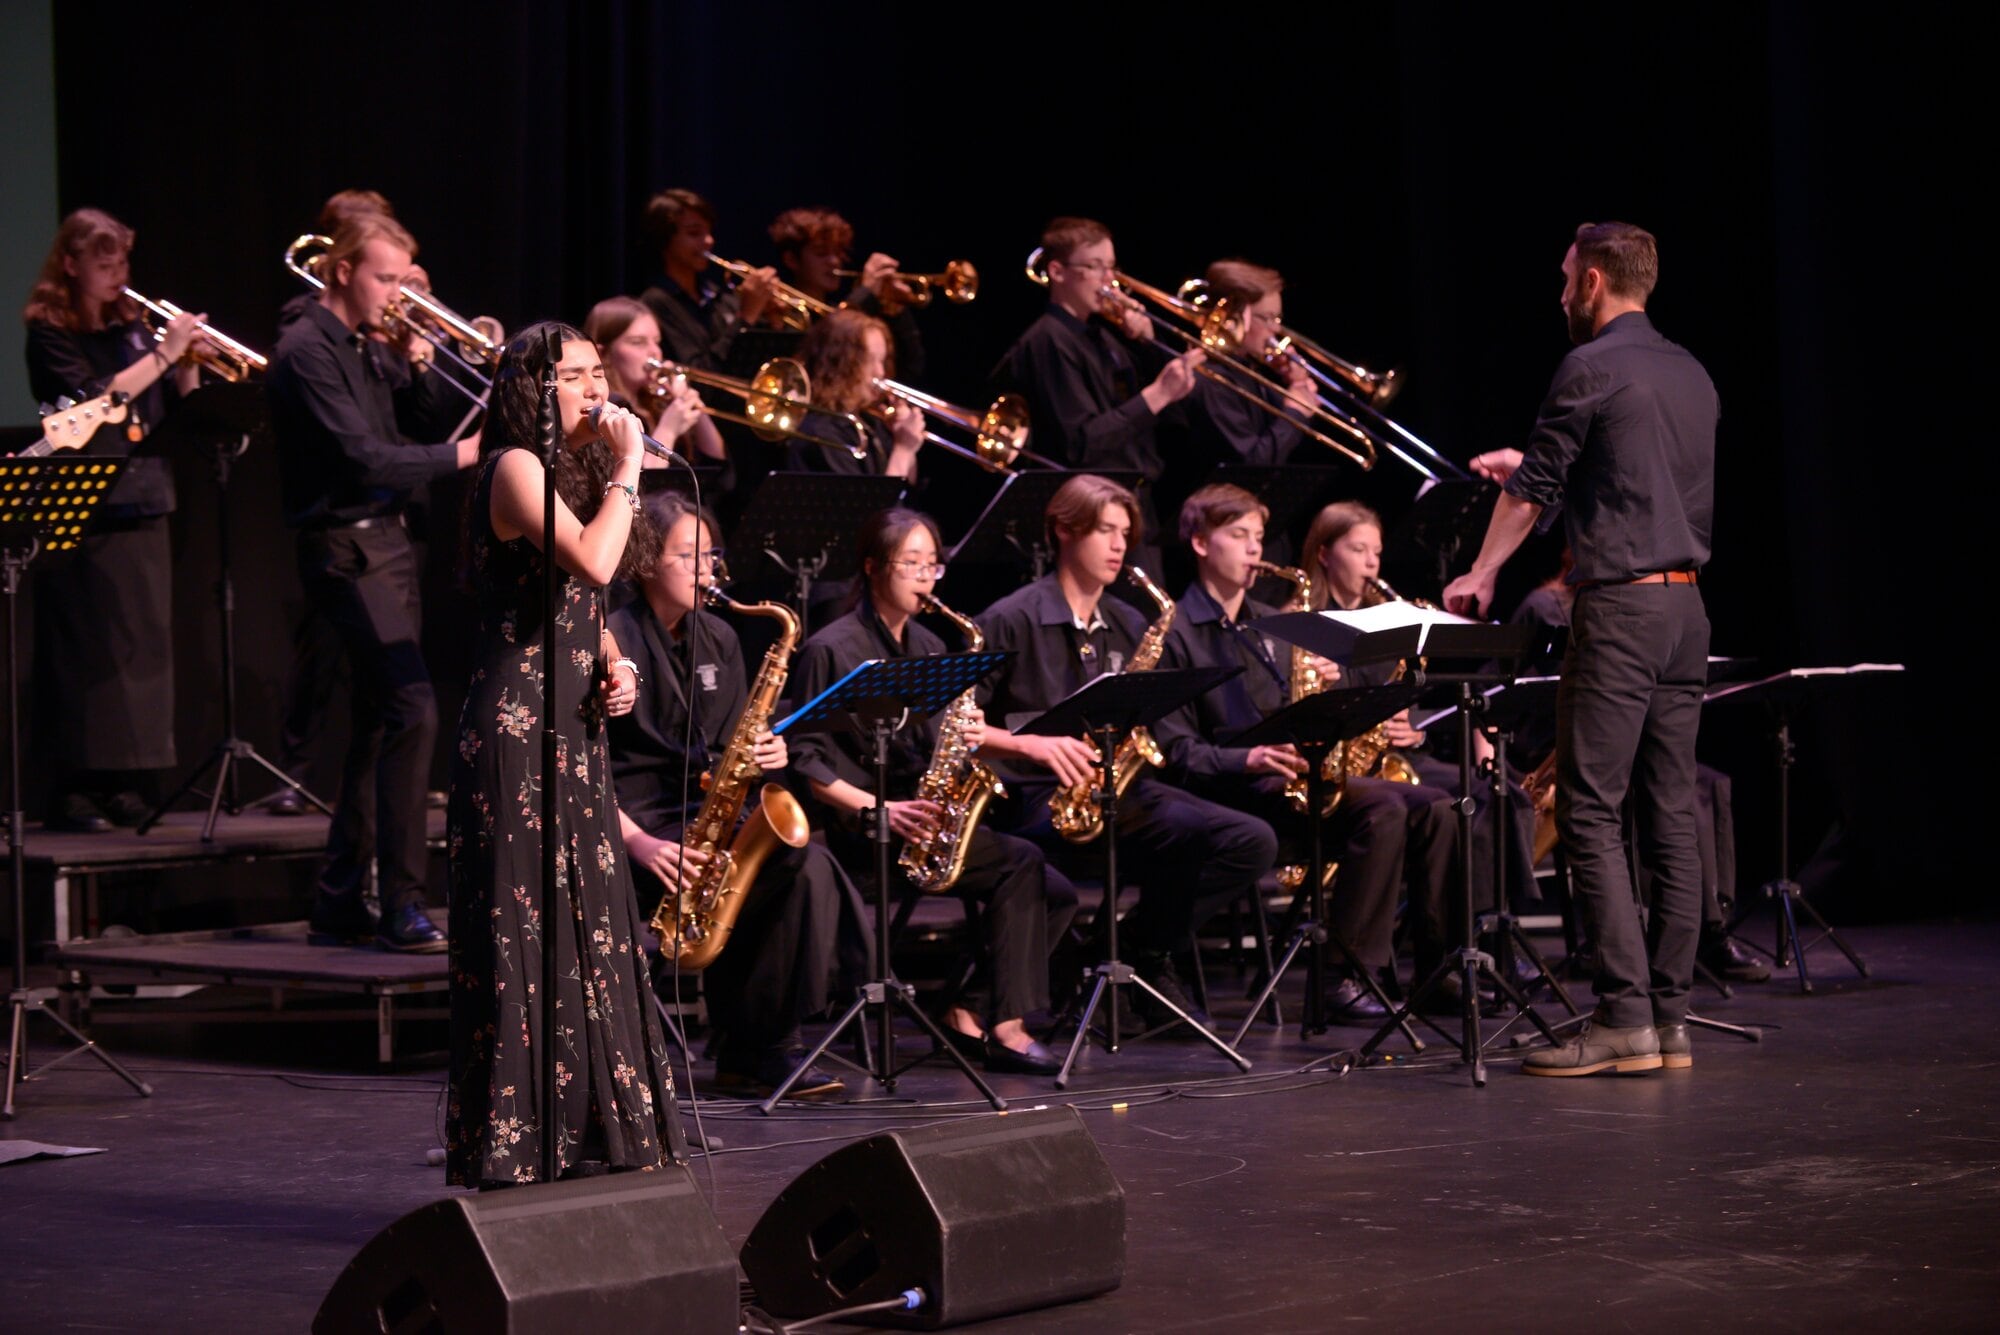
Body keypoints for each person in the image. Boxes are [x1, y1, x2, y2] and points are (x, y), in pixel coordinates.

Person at [1442, 221, 1716, 1077]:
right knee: (1669, 810)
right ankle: (1669, 1021)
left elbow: (1533, 492)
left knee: (1590, 810)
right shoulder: (1690, 372)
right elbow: (1635, 489)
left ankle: (1622, 1018)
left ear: (1594, 281)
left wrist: (1482, 572)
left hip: (1623, 615)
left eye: (1566, 280)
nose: (1560, 295)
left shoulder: (1588, 365)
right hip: (1687, 612)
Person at [444, 320, 683, 1186]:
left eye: (596, 373)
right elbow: (591, 556)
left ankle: (592, 1132)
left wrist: (616, 663)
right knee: (526, 926)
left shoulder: (569, 468)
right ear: (533, 388)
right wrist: (628, 469)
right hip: (515, 727)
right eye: (577, 376)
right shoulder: (512, 465)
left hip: (571, 723)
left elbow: (580, 597)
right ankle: (519, 1141)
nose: (598, 391)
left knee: (591, 925)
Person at [972, 474, 1279, 1030]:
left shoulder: (1130, 621)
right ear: (1065, 531)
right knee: (1183, 824)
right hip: (1033, 794)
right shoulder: (1009, 617)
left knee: (1248, 838)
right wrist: (1030, 745)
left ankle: (1134, 947)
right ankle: (1139, 959)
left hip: (1112, 787)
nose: (1119, 545)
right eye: (1105, 531)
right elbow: (959, 726)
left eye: (1125, 533)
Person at [1152, 485, 1457, 1020]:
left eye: (1259, 538)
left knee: (1434, 804)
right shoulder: (1174, 631)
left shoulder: (1275, 625)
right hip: (1229, 790)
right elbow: (1175, 749)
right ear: (1200, 544)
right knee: (1383, 809)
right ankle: (1346, 976)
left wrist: (1324, 694)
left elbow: (1297, 714)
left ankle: (1439, 968)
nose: (1254, 550)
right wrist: (1245, 759)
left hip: (1290, 778)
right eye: (1239, 536)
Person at [788, 507, 1075, 1075]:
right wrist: (880, 809)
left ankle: (969, 1005)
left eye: (932, 565)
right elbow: (804, 757)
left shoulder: (927, 643)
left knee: (1056, 888)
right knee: (1024, 862)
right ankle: (1005, 1027)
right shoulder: (831, 648)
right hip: (865, 829)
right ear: (872, 568)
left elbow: (941, 740)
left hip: (922, 819)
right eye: (910, 563)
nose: (924, 577)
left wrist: (966, 739)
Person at [267, 212, 481, 951]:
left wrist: (424, 356)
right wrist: (468, 459)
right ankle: (403, 903)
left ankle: (336, 896)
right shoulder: (305, 350)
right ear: (341, 272)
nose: (398, 294)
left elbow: (421, 420)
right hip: (345, 548)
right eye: (386, 279)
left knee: (376, 722)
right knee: (413, 707)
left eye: (401, 279)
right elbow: (365, 460)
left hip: (391, 545)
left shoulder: (365, 344)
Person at [606, 492, 850, 1099]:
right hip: (630, 824)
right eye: (686, 556)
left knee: (801, 861)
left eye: (711, 556)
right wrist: (636, 843)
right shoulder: (607, 636)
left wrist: (771, 753)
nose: (705, 570)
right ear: (642, 562)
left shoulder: (720, 636)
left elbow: (731, 746)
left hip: (700, 814)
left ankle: (760, 1049)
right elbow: (573, 769)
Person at [1302, 499, 1537, 1005]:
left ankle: (1484, 939)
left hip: (1393, 756)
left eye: (1377, 552)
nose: (1371, 563)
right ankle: (1450, 954)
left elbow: (1406, 708)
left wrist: (1415, 733)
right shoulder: (1302, 624)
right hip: (1341, 763)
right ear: (1324, 554)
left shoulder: (1385, 622)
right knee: (1441, 803)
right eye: (1358, 549)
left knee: (1494, 791)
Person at [21, 208, 201, 831]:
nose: (116, 275)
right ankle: (74, 789)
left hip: (145, 499)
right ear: (70, 266)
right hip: (83, 505)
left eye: (122, 262)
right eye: (103, 264)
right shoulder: (48, 333)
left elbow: (170, 424)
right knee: (85, 655)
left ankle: (126, 782)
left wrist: (190, 366)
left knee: (139, 652)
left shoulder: (134, 331)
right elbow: (83, 412)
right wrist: (162, 356)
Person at [1507, 562, 1766, 984]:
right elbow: (1502, 682)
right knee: (1610, 809)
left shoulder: (1626, 605)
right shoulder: (1546, 604)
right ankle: (1627, 965)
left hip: (1625, 731)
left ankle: (1709, 929)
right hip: (1555, 737)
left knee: (1703, 785)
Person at [991, 217, 1204, 577]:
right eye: (1094, 267)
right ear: (1057, 272)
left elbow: (1177, 413)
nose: (1110, 281)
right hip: (1092, 519)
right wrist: (1156, 395)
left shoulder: (1105, 338)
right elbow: (1082, 444)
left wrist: (1145, 341)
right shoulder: (1048, 341)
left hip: (1135, 506)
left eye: (1111, 267)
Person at [1182, 260, 1319, 469]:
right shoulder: (1212, 380)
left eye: (1278, 318)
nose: (1275, 329)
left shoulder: (1250, 370)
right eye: (1267, 318)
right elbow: (1252, 466)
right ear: (1232, 316)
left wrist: (1293, 385)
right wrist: (1295, 412)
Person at [766, 205, 925, 381]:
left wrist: (896, 310)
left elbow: (909, 368)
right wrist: (866, 292)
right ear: (791, 260)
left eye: (838, 253)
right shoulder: (776, 313)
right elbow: (827, 352)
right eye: (821, 253)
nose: (834, 261)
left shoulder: (841, 311)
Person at [636, 188, 775, 371]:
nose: (709, 240)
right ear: (664, 239)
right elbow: (699, 375)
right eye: (694, 233)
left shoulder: (718, 295)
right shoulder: (656, 302)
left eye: (709, 232)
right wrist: (746, 316)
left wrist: (771, 319)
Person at [580, 295, 724, 462]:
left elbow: (723, 472)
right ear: (602, 354)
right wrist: (668, 430)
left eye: (657, 342)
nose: (655, 352)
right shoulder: (604, 412)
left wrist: (692, 404)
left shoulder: (656, 402)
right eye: (638, 342)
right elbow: (640, 483)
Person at [789, 308, 923, 481]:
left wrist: (907, 445)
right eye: (869, 361)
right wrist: (903, 449)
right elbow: (874, 507)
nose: (880, 371)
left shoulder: (872, 422)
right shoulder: (821, 433)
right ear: (841, 364)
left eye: (882, 361)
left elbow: (904, 491)